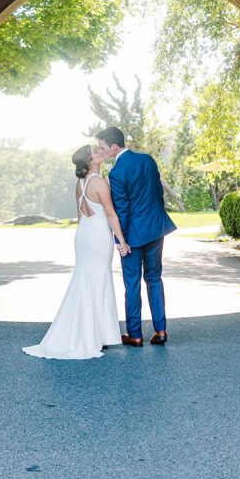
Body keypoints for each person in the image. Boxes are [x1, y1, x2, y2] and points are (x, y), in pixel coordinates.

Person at [22, 145, 126, 359]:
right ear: (89, 161)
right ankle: (95, 335)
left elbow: (81, 215)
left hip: (83, 235)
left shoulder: (79, 183)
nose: (99, 152)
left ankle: (90, 333)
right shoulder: (99, 182)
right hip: (98, 236)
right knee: (99, 280)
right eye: (94, 152)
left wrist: (82, 237)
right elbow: (110, 214)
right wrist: (121, 241)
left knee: (84, 281)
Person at [96, 126, 176, 347]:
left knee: (132, 283)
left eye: (103, 147)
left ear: (114, 146)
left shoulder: (117, 172)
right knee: (154, 279)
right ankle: (160, 331)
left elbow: (121, 210)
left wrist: (120, 240)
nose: (101, 151)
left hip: (132, 235)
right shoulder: (147, 160)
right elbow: (158, 193)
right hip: (155, 228)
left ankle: (135, 335)